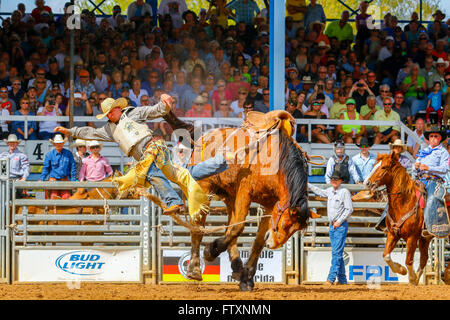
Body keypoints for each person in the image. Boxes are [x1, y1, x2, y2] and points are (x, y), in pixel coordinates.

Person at [53, 96, 233, 220]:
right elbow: (90, 131)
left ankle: (173, 201)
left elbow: (153, 111)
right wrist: (70, 131)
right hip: (144, 155)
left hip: (153, 149)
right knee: (183, 174)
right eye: (106, 114)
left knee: (152, 173)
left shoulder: (132, 114)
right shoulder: (109, 129)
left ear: (117, 108)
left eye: (110, 112)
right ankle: (220, 161)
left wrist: (165, 104)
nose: (108, 116)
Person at [308, 170, 353, 285]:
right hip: (333, 225)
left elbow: (349, 209)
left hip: (339, 225)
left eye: (336, 179)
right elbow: (319, 191)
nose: (334, 181)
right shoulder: (330, 191)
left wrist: (339, 221)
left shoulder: (344, 192)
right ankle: (342, 280)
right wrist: (307, 184)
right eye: (333, 179)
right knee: (337, 252)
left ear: (340, 181)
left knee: (336, 253)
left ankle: (331, 278)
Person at [414, 127, 449, 238]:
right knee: (401, 191)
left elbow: (444, 169)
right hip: (420, 179)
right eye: (431, 136)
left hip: (435, 180)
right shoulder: (424, 151)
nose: (433, 138)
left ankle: (431, 226)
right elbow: (416, 166)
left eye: (435, 136)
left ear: (440, 139)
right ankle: (386, 221)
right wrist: (415, 166)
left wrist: (429, 167)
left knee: (432, 198)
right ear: (428, 138)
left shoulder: (443, 152)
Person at [40, 134, 77, 199]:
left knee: (66, 197)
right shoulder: (49, 155)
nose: (58, 145)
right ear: (54, 144)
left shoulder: (68, 154)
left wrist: (73, 180)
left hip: (64, 180)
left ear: (63, 143)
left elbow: (72, 168)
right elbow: (46, 168)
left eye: (60, 143)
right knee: (53, 197)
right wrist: (41, 179)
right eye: (57, 143)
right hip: (53, 180)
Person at [0, 134, 30, 199]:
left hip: (16, 181)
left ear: (17, 144)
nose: (12, 144)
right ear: (8, 144)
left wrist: (24, 178)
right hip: (4, 181)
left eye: (14, 142)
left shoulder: (22, 156)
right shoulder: (2, 155)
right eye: (10, 142)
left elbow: (26, 168)